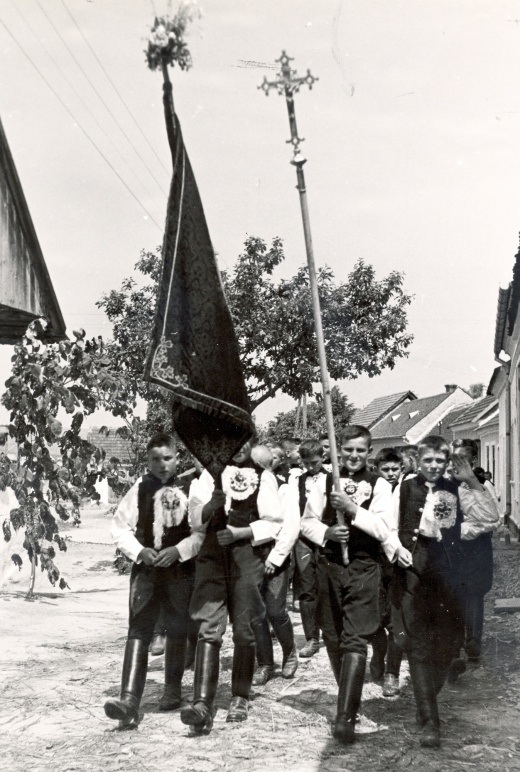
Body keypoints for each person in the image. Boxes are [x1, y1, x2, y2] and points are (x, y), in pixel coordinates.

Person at [390, 435, 497, 749]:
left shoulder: (459, 487)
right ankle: (431, 720)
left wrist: (473, 486)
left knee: (448, 646)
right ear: (419, 461)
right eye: (428, 461)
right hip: (415, 570)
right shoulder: (405, 487)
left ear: (447, 462)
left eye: (440, 461)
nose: (434, 466)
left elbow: (489, 518)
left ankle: (427, 701)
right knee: (419, 644)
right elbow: (389, 522)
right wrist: (397, 549)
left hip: (450, 573)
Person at [301, 425, 401, 744]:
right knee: (332, 635)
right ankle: (349, 698)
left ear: (369, 452)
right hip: (330, 565)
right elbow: (307, 521)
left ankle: (345, 718)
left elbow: (385, 528)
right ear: (338, 450)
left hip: (364, 565)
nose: (354, 455)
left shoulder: (380, 484)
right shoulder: (326, 482)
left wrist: (353, 511)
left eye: (360, 450)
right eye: (348, 450)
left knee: (354, 637)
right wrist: (327, 533)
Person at [180, 439, 283, 731]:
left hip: (246, 558)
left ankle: (239, 695)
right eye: (231, 439)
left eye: (244, 440)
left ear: (251, 442)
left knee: (245, 626)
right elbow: (194, 521)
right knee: (208, 624)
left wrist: (242, 532)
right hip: (212, 557)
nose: (238, 446)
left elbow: (275, 522)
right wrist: (209, 507)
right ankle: (202, 702)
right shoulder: (205, 478)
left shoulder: (263, 477)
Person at [104, 433, 204, 729]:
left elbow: (200, 534)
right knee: (139, 629)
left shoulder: (192, 488)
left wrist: (178, 550)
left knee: (176, 627)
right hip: (147, 572)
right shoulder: (140, 488)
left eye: (168, 459)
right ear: (147, 461)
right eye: (155, 460)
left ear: (178, 458)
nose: (162, 465)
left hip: (179, 571)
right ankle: (129, 700)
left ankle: (172, 690)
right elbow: (119, 528)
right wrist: (139, 551)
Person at [251, 445, 300, 685]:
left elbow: (290, 526)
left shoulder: (285, 488)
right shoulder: (250, 485)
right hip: (252, 554)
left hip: (274, 553)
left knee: (275, 609)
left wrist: (276, 557)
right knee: (256, 612)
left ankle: (290, 652)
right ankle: (265, 663)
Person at [449, 440, 500, 667]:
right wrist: (470, 526)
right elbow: (444, 521)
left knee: (475, 593)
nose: (455, 464)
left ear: (473, 461)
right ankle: (456, 642)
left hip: (478, 549)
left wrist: (468, 527)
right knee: (456, 593)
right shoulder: (444, 486)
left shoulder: (483, 485)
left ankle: (473, 643)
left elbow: (492, 520)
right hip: (454, 548)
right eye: (453, 459)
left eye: (461, 459)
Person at [371, 448, 405, 697]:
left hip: (399, 561)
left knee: (396, 619)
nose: (391, 474)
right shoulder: (372, 490)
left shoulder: (407, 491)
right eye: (386, 469)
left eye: (395, 469)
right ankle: (378, 654)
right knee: (374, 617)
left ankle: (392, 672)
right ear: (377, 469)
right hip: (374, 561)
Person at [293, 438, 329, 658]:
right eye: (306, 463)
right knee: (307, 589)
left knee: (329, 586)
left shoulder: (333, 478)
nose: (310, 467)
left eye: (314, 462)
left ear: (323, 458)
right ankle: (311, 638)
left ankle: (334, 633)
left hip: (327, 537)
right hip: (304, 539)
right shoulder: (297, 481)